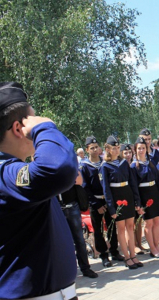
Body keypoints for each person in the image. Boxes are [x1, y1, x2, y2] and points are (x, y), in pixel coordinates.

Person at [0, 82, 78, 299]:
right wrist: (45, 127)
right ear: (19, 129)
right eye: (32, 121)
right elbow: (58, 168)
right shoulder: (5, 175)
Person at [80, 136, 125, 267]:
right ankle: (104, 255)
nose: (95, 150)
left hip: (109, 200)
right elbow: (85, 188)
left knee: (111, 227)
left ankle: (114, 251)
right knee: (98, 229)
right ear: (87, 149)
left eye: (96, 147)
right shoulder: (84, 167)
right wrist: (96, 204)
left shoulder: (105, 163)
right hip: (96, 202)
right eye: (92, 148)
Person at [101, 135, 144, 269]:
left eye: (118, 147)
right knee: (121, 229)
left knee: (130, 227)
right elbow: (106, 189)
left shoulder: (124, 162)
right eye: (114, 148)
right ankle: (126, 256)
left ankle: (133, 254)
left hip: (128, 195)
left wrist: (137, 201)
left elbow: (132, 183)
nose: (116, 150)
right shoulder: (105, 166)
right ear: (107, 149)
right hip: (116, 198)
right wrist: (111, 208)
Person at [131, 137, 159, 258]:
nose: (141, 150)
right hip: (144, 194)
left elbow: (158, 181)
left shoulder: (151, 163)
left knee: (157, 221)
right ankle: (152, 249)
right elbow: (134, 187)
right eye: (139, 148)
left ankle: (157, 246)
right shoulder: (134, 166)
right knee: (149, 223)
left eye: (143, 148)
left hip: (155, 192)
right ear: (135, 150)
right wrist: (138, 203)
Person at [59, 171, 98, 278]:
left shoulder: (68, 165)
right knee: (61, 242)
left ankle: (85, 268)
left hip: (72, 206)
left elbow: (79, 180)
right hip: (57, 208)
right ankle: (67, 271)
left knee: (79, 240)